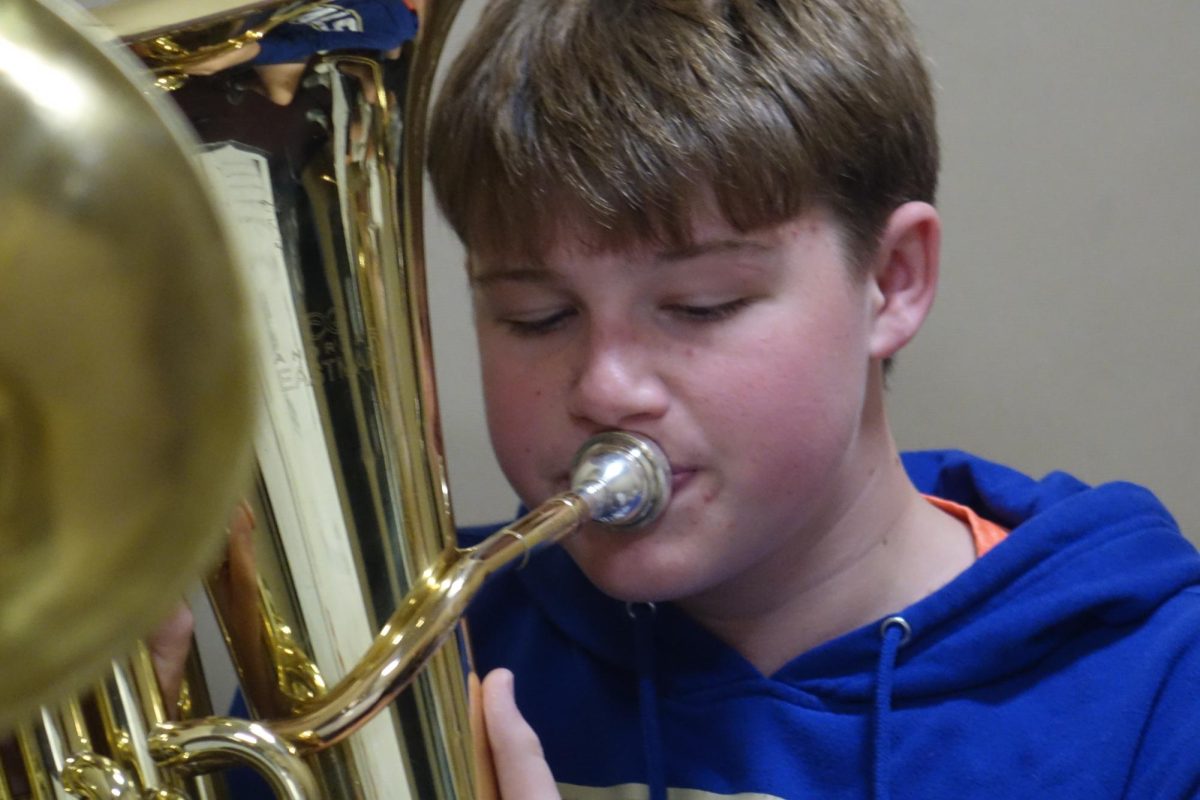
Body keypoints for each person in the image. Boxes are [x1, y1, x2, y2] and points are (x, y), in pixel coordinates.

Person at [425, 1, 1200, 799]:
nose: (603, 388)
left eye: (701, 305)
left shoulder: (1160, 692)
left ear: (893, 280)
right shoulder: (421, 644)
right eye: (536, 317)